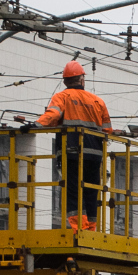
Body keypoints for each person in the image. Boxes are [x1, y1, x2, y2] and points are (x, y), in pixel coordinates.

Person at [30, 61, 113, 230]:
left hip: (72, 152)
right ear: (82, 79)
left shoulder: (62, 97)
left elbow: (52, 116)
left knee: (74, 191)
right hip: (95, 155)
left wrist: (34, 125)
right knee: (91, 191)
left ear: (65, 81)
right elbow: (107, 130)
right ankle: (91, 228)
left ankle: (79, 228)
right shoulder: (98, 101)